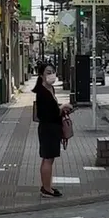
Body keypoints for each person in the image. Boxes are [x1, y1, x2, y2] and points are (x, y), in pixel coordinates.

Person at [32, 62, 71, 198]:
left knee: (48, 158)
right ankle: (47, 189)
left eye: (52, 72)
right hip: (48, 128)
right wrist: (62, 108)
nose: (51, 75)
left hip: (52, 128)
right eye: (48, 72)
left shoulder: (50, 89)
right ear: (41, 75)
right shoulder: (42, 92)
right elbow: (47, 114)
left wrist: (61, 109)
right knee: (47, 159)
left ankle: (47, 186)